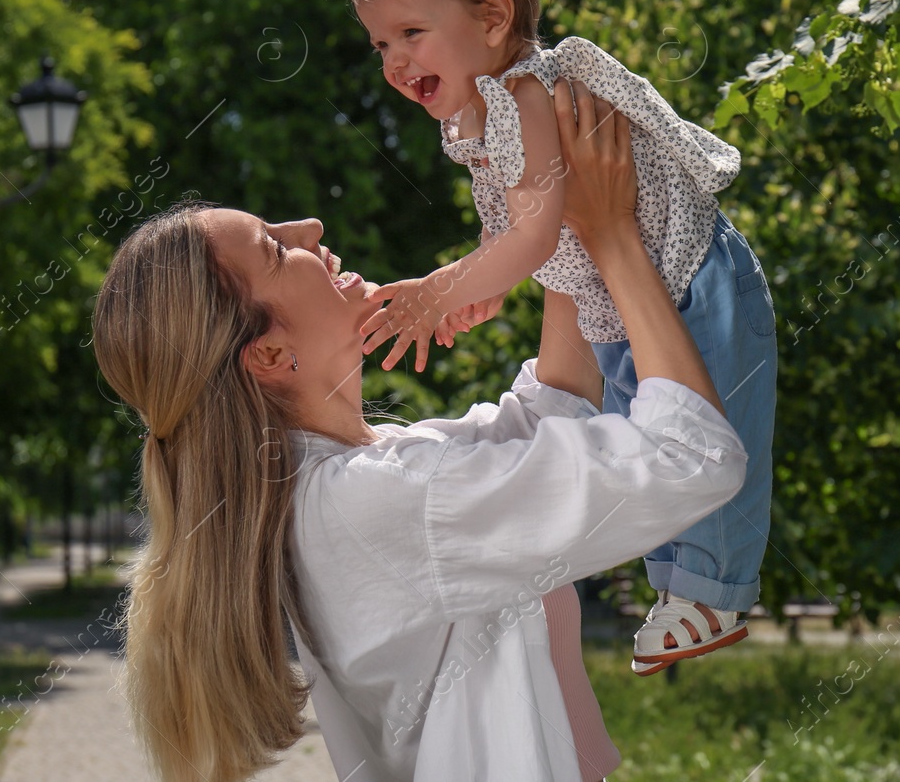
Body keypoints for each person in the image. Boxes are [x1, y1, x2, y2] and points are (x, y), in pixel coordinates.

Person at [91, 82, 748, 782]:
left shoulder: (343, 488)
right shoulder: (373, 505)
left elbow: (550, 411)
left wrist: (555, 218)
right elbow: (690, 456)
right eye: (276, 252)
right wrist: (615, 237)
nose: (310, 227)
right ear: (271, 355)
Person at [350, 0, 777, 675]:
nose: (395, 60)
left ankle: (715, 591)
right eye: (380, 44)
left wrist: (442, 288)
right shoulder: (479, 116)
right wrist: (485, 281)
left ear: (492, 20)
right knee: (645, 430)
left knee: (719, 427)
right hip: (616, 303)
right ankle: (679, 587)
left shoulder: (527, 93)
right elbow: (512, 224)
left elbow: (539, 230)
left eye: (411, 33)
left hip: (692, 277)